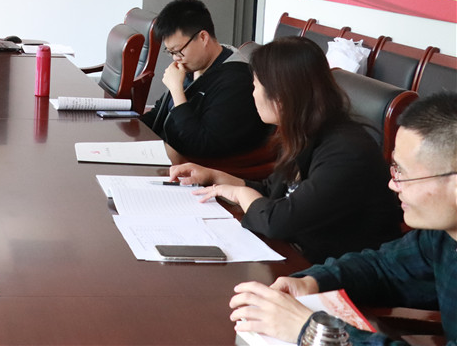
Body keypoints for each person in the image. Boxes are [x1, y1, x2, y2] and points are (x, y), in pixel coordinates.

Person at [227, 91, 456, 345]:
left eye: (404, 173)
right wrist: (314, 281)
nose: (393, 184)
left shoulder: (345, 148)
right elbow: (382, 268)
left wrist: (310, 331)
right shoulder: (441, 236)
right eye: (394, 169)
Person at [171, 37, 403, 263]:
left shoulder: (346, 151)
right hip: (302, 256)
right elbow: (273, 191)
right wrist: (215, 177)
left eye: (255, 86)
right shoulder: (304, 130)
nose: (252, 94)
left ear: (280, 96)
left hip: (340, 272)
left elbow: (276, 220)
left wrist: (240, 194)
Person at [141, 0, 270, 158]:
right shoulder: (193, 66)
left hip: (192, 164)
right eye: (170, 52)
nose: (175, 58)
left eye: (178, 51)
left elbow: (200, 146)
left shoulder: (235, 81)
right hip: (163, 150)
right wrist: (131, 131)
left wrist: (176, 91)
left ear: (203, 37)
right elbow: (157, 115)